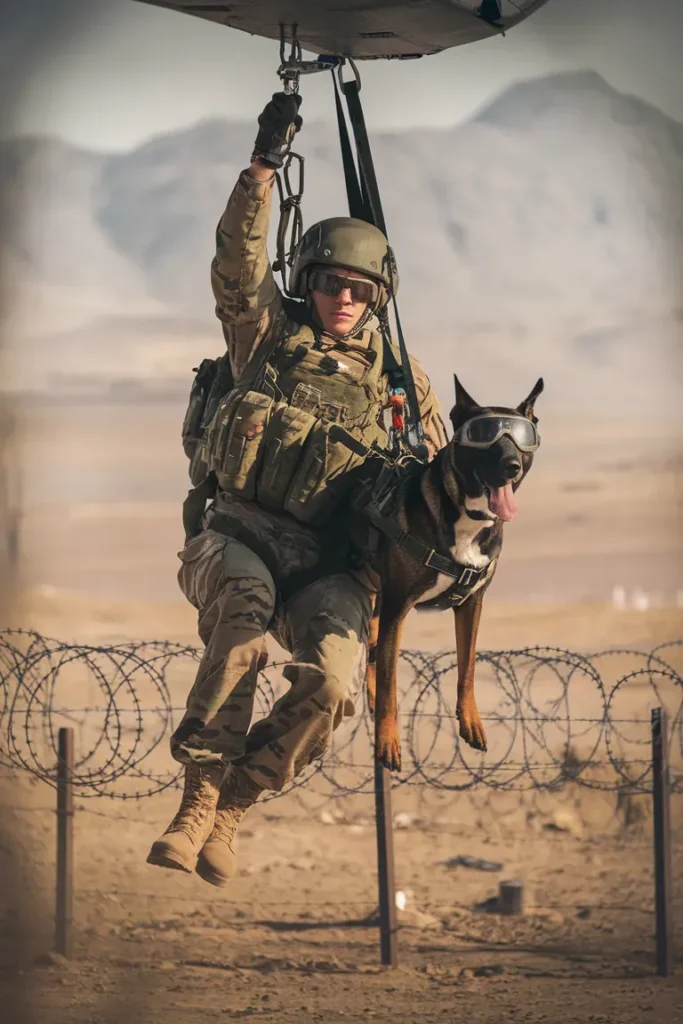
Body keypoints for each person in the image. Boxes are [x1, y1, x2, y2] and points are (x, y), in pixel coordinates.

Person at [147, 92, 447, 887]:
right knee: (241, 627)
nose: (340, 300)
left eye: (356, 289)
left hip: (327, 566)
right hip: (238, 535)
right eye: (327, 285)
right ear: (307, 283)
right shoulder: (265, 339)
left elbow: (443, 489)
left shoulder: (402, 386)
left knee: (332, 681)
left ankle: (236, 802)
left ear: (374, 296)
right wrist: (261, 171)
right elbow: (235, 272)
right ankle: (196, 798)